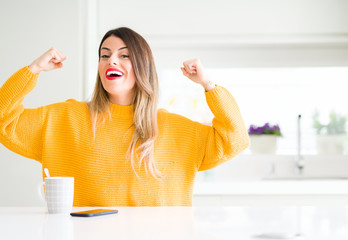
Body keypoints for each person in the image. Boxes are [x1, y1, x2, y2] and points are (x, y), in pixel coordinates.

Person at [0, 27, 249, 206]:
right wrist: (32, 70)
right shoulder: (66, 118)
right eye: (105, 55)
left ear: (142, 65)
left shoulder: (175, 128)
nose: (111, 61)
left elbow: (235, 139)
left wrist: (208, 84)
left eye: (124, 55)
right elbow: (4, 121)